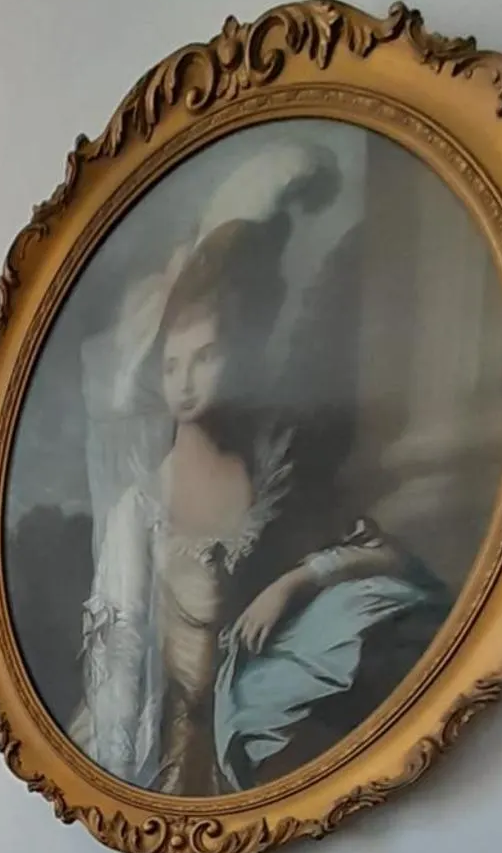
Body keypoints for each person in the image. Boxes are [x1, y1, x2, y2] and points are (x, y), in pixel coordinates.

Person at [71, 143, 451, 795]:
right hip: (164, 733)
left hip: (244, 714)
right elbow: (123, 641)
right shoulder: (142, 502)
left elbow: (378, 555)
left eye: (205, 357)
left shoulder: (276, 474)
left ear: (239, 355)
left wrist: (293, 582)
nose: (185, 383)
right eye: (171, 365)